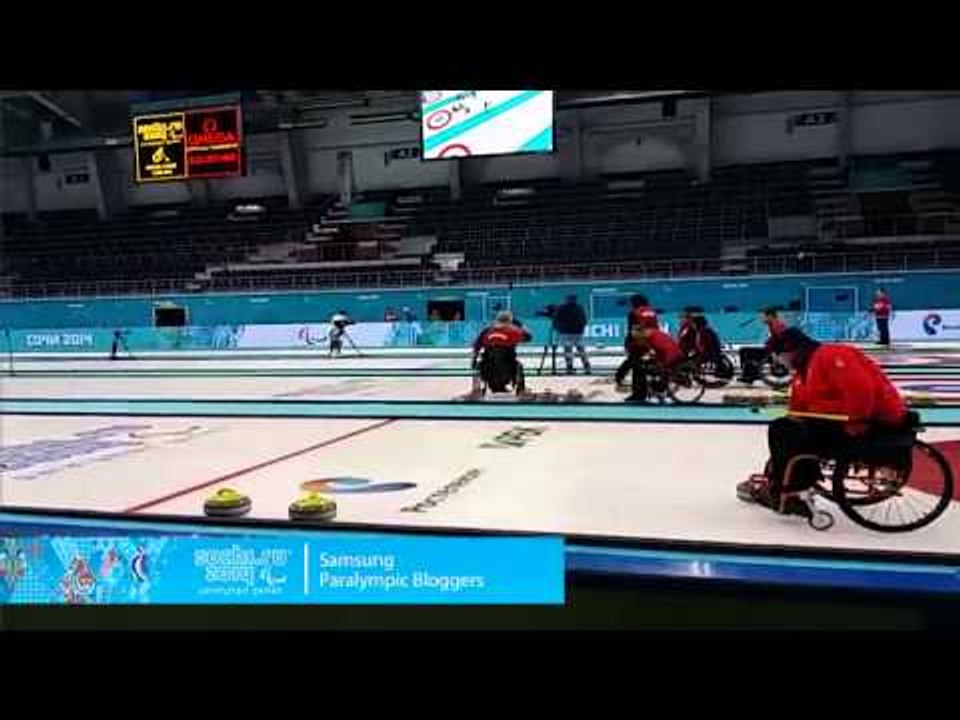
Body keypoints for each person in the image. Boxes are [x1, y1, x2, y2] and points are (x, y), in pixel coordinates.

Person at [737, 328, 908, 516]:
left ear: (792, 350)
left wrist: (858, 421)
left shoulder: (831, 355)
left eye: (779, 355)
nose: (779, 361)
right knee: (785, 429)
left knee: (784, 431)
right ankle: (782, 482)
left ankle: (792, 491)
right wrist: (793, 417)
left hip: (872, 422)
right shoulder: (804, 369)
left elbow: (860, 389)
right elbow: (800, 404)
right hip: (844, 420)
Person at [472, 311, 532, 394]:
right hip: (509, 369)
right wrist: (519, 324)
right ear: (510, 321)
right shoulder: (514, 331)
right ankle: (521, 390)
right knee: (519, 365)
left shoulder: (487, 331)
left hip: (487, 370)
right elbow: (529, 337)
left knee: (480, 364)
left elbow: (476, 346)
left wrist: (474, 360)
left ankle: (476, 390)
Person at [623, 324, 684, 403]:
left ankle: (641, 394)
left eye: (636, 337)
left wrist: (660, 364)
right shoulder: (653, 333)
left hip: (670, 360)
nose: (636, 339)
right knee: (641, 365)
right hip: (672, 357)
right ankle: (642, 393)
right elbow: (655, 352)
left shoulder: (653, 339)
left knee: (641, 369)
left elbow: (664, 353)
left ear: (640, 333)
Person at [615, 294, 659, 387]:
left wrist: (628, 343)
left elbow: (633, 330)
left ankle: (620, 378)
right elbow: (656, 327)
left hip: (639, 340)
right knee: (639, 363)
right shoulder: (652, 312)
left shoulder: (634, 313)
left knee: (634, 363)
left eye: (631, 303)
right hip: (652, 340)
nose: (630, 305)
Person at [738, 307, 787, 384]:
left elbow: (781, 341)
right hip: (769, 350)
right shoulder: (775, 324)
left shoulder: (776, 325)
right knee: (745, 351)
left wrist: (775, 354)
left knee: (744, 351)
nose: (762, 319)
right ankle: (749, 374)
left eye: (764, 317)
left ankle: (750, 375)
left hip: (770, 352)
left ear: (770, 316)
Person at [552, 294, 591, 375]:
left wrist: (559, 329)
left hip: (568, 333)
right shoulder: (578, 308)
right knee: (578, 350)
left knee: (571, 350)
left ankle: (572, 367)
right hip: (573, 332)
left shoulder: (562, 308)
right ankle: (584, 366)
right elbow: (584, 320)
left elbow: (555, 320)